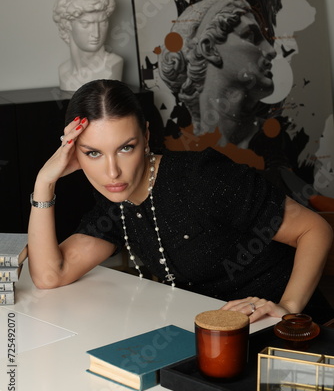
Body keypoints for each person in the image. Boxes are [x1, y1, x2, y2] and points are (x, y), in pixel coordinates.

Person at [28, 79, 334, 324]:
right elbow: (49, 275)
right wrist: (45, 181)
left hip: (288, 331)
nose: (112, 171)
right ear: (73, 153)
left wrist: (287, 307)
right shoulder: (116, 199)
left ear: (146, 137)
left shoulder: (202, 178)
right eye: (93, 153)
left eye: (126, 148)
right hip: (213, 334)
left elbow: (314, 229)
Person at [158, 0, 278, 149]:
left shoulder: (277, 144)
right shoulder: (180, 154)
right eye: (250, 36)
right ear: (209, 49)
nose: (271, 51)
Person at [53, 0, 123, 91]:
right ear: (68, 25)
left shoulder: (114, 65)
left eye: (103, 22)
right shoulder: (63, 71)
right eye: (86, 23)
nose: (96, 33)